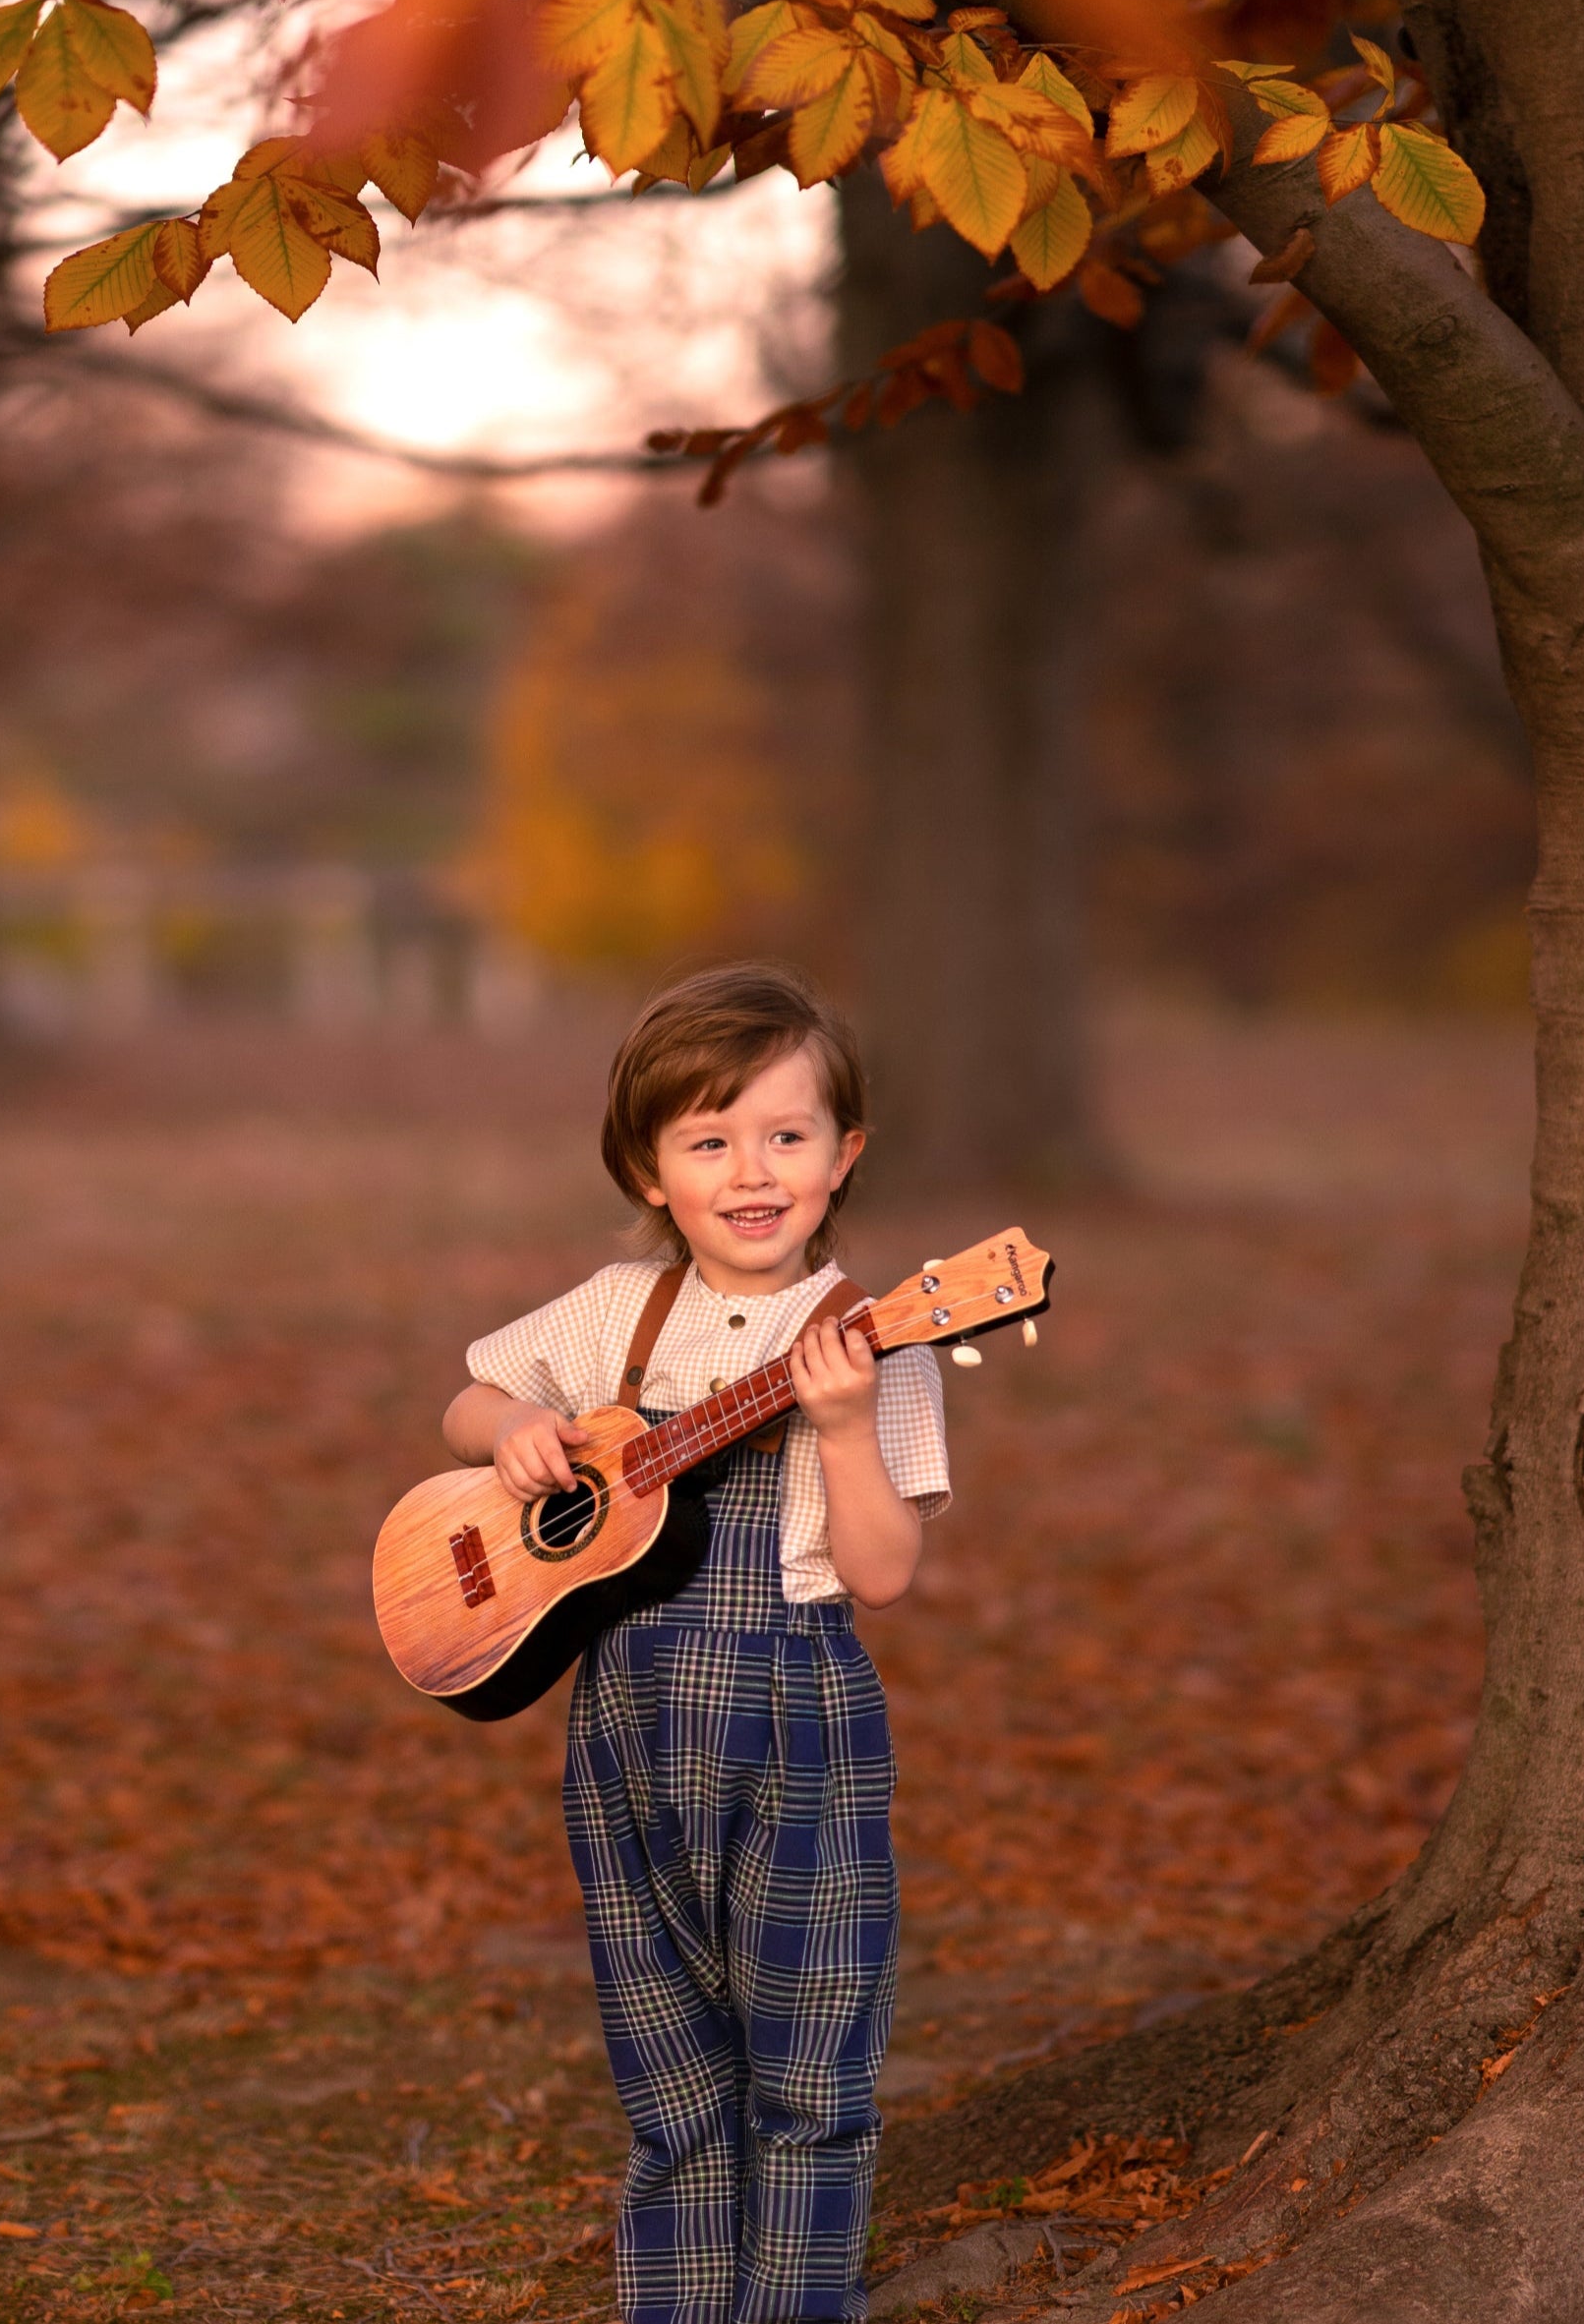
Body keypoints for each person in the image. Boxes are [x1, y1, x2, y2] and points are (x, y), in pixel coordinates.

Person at [441, 961, 950, 2324]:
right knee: (666, 2060)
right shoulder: (618, 1310)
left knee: (806, 2058)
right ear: (651, 1167)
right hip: (626, 1710)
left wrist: (841, 1429)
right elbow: (471, 1399)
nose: (752, 1170)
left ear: (845, 1156)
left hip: (796, 1713)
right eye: (709, 1139)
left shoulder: (868, 1339)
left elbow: (886, 1573)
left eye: (786, 1135)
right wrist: (518, 1437)